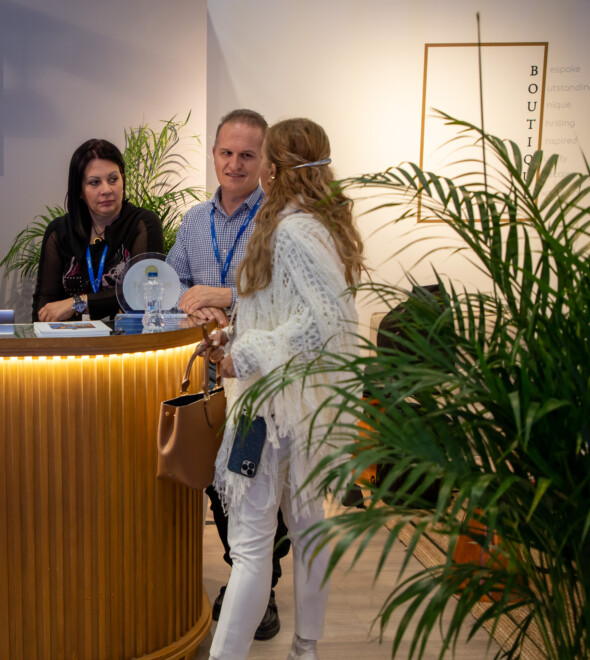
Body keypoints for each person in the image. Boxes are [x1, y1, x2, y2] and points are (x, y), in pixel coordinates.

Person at [205, 118, 363, 660]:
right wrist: (233, 334)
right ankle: (305, 650)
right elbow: (288, 311)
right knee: (307, 530)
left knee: (250, 549)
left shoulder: (294, 230)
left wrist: (243, 355)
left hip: (272, 412)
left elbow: (323, 322)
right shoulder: (318, 225)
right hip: (302, 409)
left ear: (274, 168)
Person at [167, 108, 289, 641]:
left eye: (247, 155)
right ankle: (244, 575)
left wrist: (227, 296)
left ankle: (264, 588)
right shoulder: (195, 220)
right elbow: (172, 280)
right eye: (226, 152)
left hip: (261, 377)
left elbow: (284, 292)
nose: (234, 164)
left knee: (257, 483)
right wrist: (192, 303)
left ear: (264, 162)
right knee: (221, 485)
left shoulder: (280, 221)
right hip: (210, 375)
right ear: (214, 154)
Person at [32, 139, 163, 322]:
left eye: (113, 179)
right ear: (80, 190)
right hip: (70, 337)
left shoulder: (142, 224)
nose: (106, 190)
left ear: (123, 180)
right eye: (94, 183)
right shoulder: (60, 232)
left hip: (128, 336)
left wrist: (77, 303)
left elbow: (141, 292)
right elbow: (45, 306)